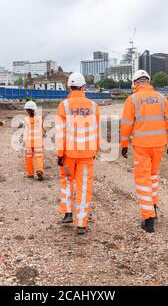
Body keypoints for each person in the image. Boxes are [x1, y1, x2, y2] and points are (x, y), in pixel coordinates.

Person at [120, 70, 168, 233]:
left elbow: (126, 125)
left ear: (136, 83)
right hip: (159, 145)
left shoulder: (132, 99)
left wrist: (124, 144)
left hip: (142, 146)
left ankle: (148, 218)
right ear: (148, 81)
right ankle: (153, 206)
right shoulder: (161, 98)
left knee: (143, 180)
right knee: (153, 177)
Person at [56, 72, 100, 235]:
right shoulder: (94, 106)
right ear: (84, 87)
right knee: (84, 187)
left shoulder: (64, 105)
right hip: (87, 154)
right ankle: (81, 223)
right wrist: (95, 149)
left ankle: (67, 212)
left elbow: (61, 133)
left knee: (67, 182)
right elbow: (96, 130)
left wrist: (60, 154)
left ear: (69, 87)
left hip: (68, 155)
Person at [22, 101, 46, 180]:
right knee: (39, 158)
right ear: (35, 109)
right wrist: (44, 133)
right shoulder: (39, 118)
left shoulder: (25, 119)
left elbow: (25, 131)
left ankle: (30, 174)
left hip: (28, 143)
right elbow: (43, 130)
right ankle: (39, 171)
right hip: (37, 143)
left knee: (28, 158)